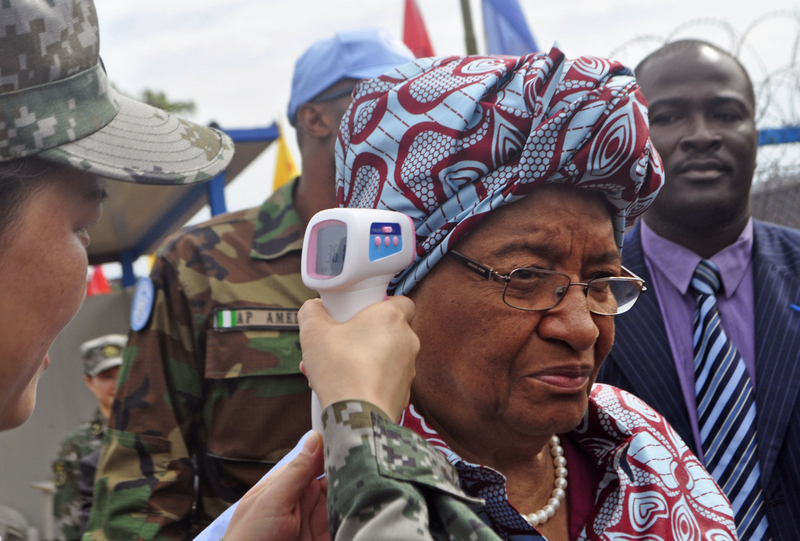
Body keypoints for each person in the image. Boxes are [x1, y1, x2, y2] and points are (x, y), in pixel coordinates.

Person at [227, 47, 739, 541]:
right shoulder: (311, 507)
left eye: (602, 280)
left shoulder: (642, 448)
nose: (582, 327)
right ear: (395, 290)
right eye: (527, 278)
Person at [84, 29, 415, 540]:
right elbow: (142, 473)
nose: (414, 114)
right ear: (315, 117)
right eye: (390, 96)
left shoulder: (431, 253)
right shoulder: (202, 264)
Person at [597, 39, 800, 541]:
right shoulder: (581, 295)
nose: (702, 136)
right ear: (633, 141)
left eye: (726, 113)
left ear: (755, 131)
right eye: (667, 117)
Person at [51, 335, 126, 541]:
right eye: (106, 376)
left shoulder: (159, 432)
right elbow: (67, 520)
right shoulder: (75, 445)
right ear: (89, 382)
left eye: (124, 373)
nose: (117, 383)